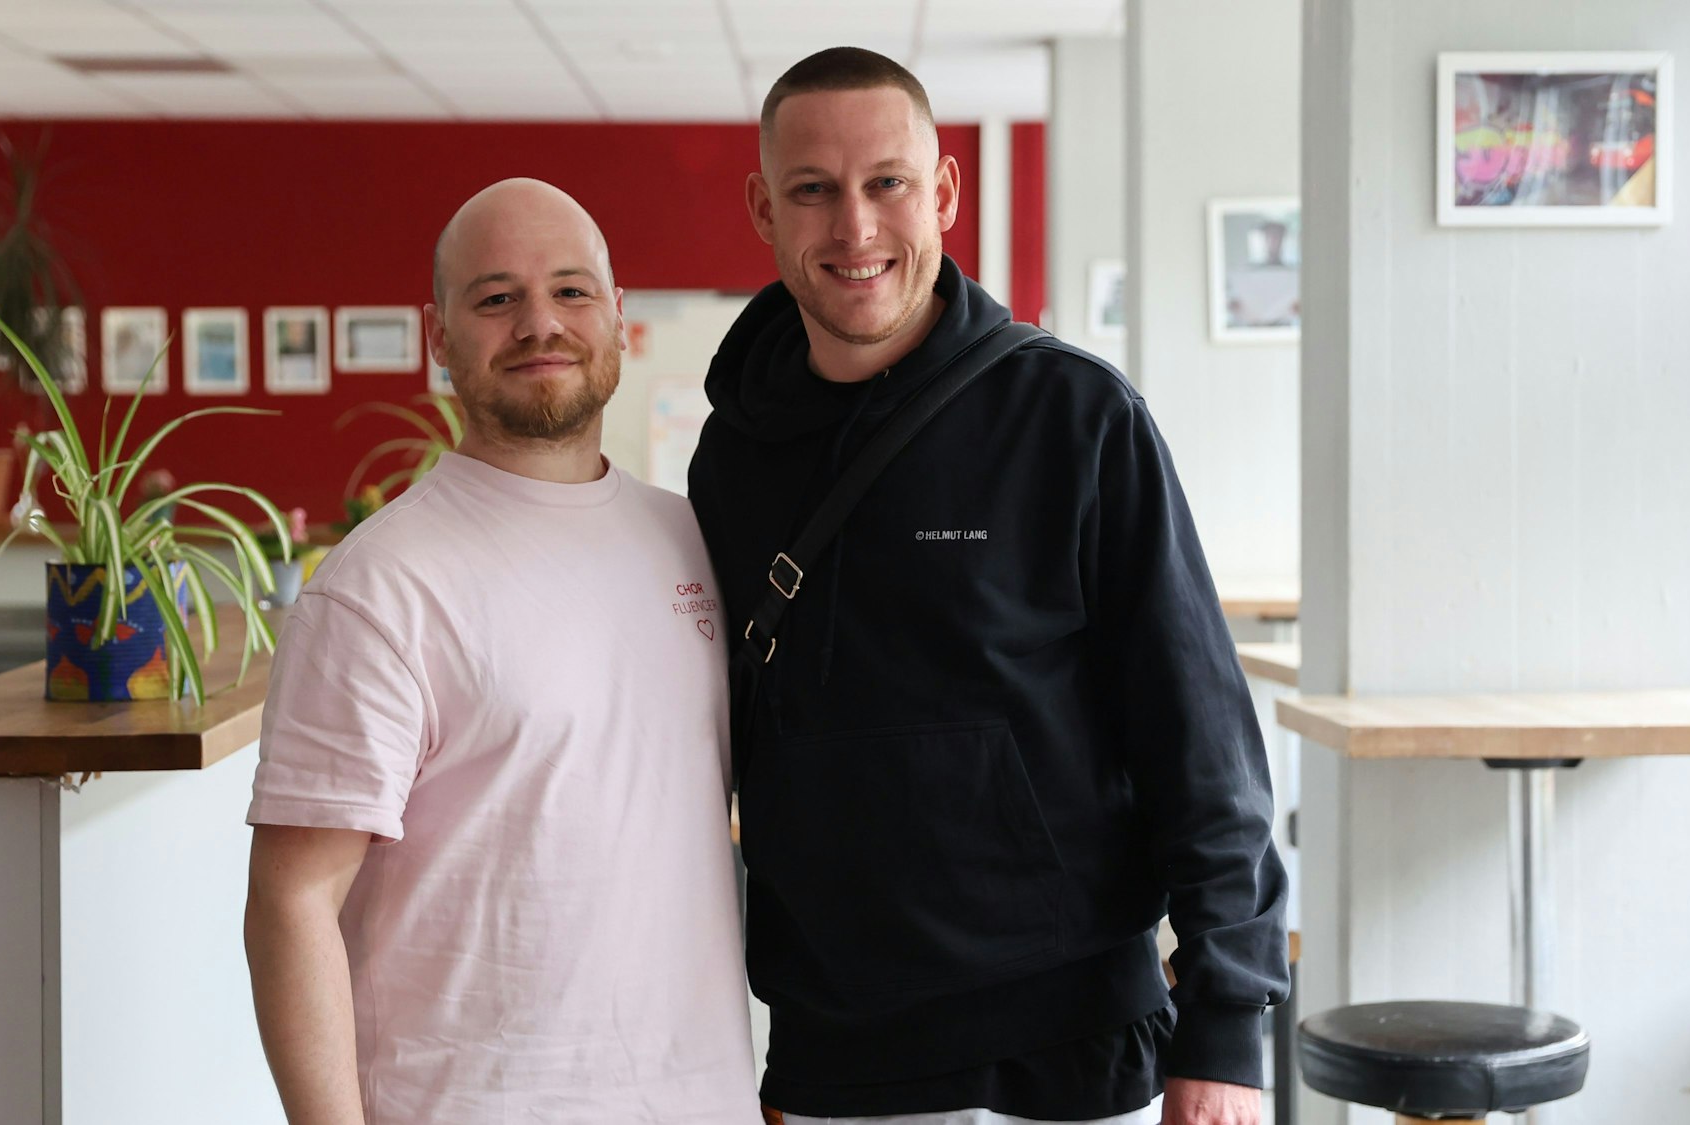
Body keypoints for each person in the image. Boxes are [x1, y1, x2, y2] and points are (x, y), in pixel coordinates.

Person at [687, 48, 1289, 1125]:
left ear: (944, 193)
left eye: (887, 183)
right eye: (812, 191)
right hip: (837, 1050)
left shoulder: (1074, 419)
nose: (854, 228)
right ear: (761, 210)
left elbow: (1198, 740)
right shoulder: (731, 459)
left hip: (1071, 1040)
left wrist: (1228, 1024)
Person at [243, 178, 759, 1125]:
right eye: (495, 298)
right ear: (441, 338)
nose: (538, 324)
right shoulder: (380, 587)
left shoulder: (690, 541)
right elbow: (292, 902)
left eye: (570, 291)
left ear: (615, 314)